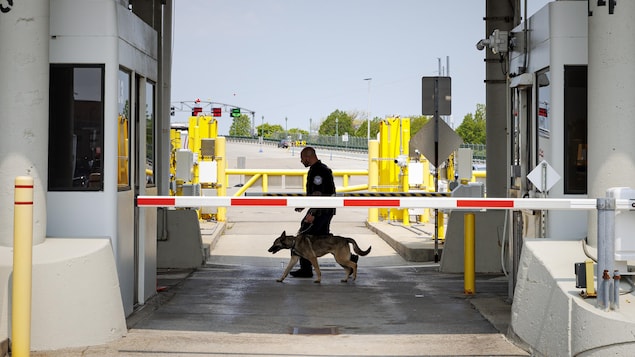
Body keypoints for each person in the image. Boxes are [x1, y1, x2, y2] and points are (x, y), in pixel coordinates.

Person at [290, 147, 358, 278]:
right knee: (325, 239)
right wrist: (304, 205)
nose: (301, 161)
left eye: (302, 158)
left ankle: (306, 269)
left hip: (321, 210)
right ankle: (351, 260)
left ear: (308, 157)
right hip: (326, 209)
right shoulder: (322, 168)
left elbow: (318, 194)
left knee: (304, 236)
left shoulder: (318, 171)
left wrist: (313, 214)